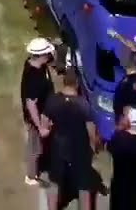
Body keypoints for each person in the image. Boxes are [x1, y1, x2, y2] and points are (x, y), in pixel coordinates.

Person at [44, 69, 99, 209]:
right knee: (84, 186)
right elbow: (91, 129)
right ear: (77, 83)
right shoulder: (83, 104)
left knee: (54, 182)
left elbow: (45, 123)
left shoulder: (53, 100)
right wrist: (94, 144)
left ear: (64, 82)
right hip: (79, 148)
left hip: (58, 146)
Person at [20, 37, 56, 186]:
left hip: (43, 113)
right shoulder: (34, 78)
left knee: (41, 144)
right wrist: (40, 126)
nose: (49, 56)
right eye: (47, 53)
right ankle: (31, 175)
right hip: (36, 118)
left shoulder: (36, 65)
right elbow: (31, 104)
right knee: (34, 147)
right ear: (41, 55)